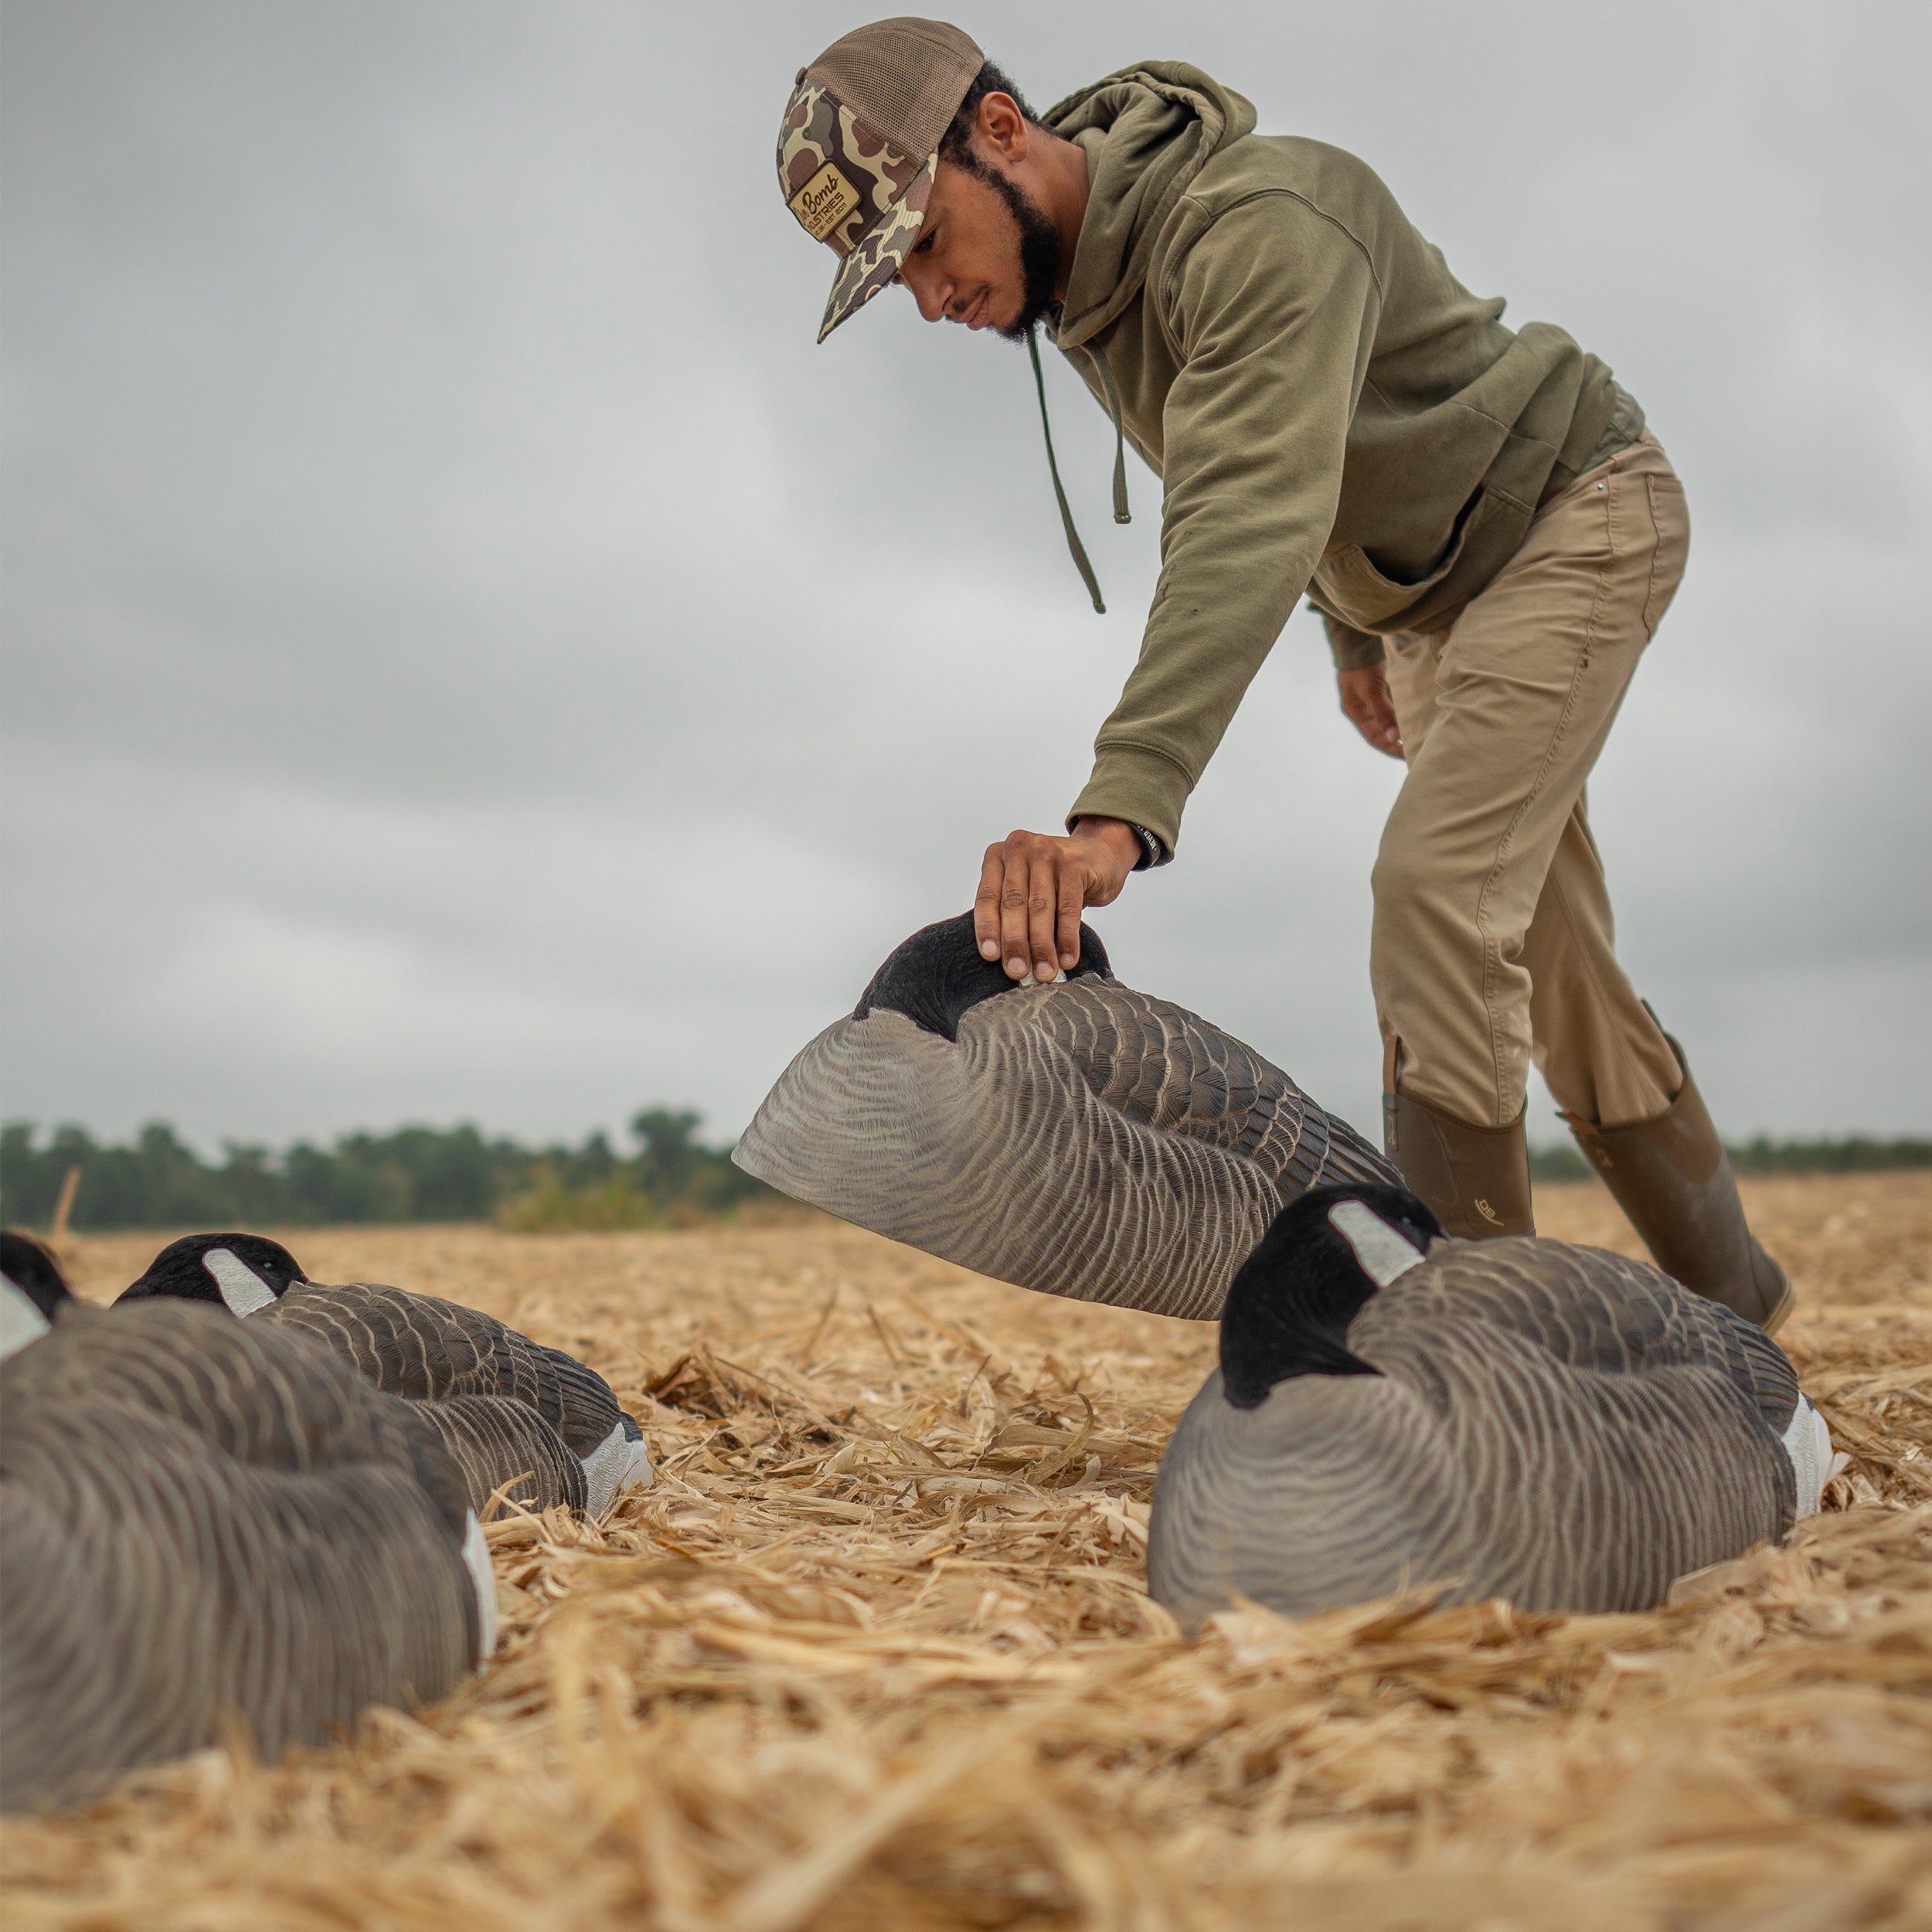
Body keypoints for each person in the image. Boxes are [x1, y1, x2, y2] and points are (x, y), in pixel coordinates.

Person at [774, 16, 1791, 1328]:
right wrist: (1356, 630)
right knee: (1558, 968)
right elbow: (1302, 453)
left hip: (1569, 517)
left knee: (1435, 899)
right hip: (1424, 607)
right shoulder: (1087, 289)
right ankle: (1741, 1314)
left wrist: (1113, 819)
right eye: (890, 277)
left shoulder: (1260, 221)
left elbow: (1248, 504)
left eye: (920, 242)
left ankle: (1463, 1365)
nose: (926, 296)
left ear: (1002, 134)